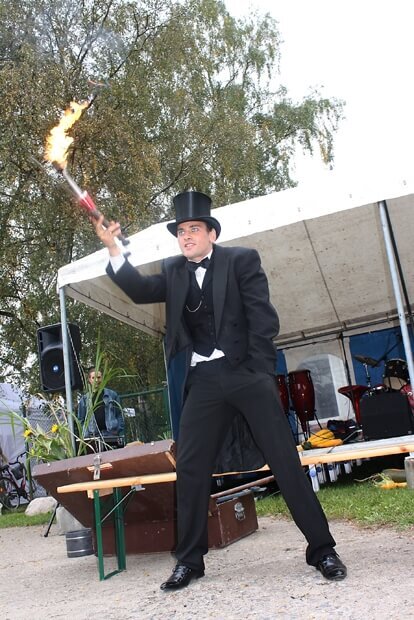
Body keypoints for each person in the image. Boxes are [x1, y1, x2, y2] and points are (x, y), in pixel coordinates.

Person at [92, 190, 347, 589]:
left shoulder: (241, 260)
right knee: (190, 468)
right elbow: (140, 290)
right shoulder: (174, 270)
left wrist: (258, 370)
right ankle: (189, 561)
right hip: (204, 380)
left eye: (194, 229)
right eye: (181, 231)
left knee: (284, 461)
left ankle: (323, 550)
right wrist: (113, 249)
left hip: (245, 371)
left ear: (211, 233)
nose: (186, 236)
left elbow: (263, 318)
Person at [77, 367, 125, 447]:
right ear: (89, 380)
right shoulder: (84, 400)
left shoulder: (112, 395)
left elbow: (119, 414)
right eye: (93, 378)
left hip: (111, 435)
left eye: (98, 377)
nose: (96, 380)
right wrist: (86, 435)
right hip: (93, 437)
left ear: (102, 378)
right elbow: (81, 420)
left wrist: (118, 430)